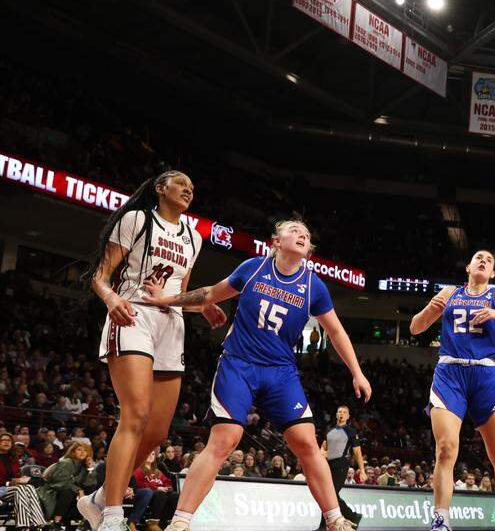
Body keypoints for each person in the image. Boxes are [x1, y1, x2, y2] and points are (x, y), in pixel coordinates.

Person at [141, 219, 372, 531]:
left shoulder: (313, 286)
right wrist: (164, 300)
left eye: (306, 233)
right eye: (294, 231)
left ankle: (335, 519)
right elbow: (210, 293)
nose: (303, 234)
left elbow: (335, 331)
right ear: (276, 241)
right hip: (239, 364)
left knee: (306, 440)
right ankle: (181, 521)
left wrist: (357, 372)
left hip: (281, 372)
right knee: (225, 439)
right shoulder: (252, 268)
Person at [79, 171, 228, 531]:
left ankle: (98, 499)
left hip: (170, 325)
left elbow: (178, 291)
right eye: (181, 183)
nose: (189, 189)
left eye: (193, 186)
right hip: (133, 315)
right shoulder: (137, 220)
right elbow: (98, 274)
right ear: (161, 188)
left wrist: (200, 306)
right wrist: (112, 297)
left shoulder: (194, 237)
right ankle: (113, 514)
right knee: (136, 413)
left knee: (157, 432)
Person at [411, 250, 495, 531]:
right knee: (445, 450)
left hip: (485, 374)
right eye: (478, 258)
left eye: (489, 261)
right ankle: (441, 518)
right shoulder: (450, 292)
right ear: (468, 267)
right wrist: (431, 308)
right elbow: (416, 328)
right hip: (450, 373)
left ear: (492, 274)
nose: (483, 261)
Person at [318, 406, 366, 530]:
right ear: (336, 414)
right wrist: (322, 452)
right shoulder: (329, 429)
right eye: (340, 411)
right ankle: (352, 516)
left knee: (331, 495)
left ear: (348, 416)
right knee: (327, 495)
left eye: (345, 412)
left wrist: (362, 470)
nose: (342, 414)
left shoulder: (351, 431)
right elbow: (324, 447)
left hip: (341, 465)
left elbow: (357, 453)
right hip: (328, 465)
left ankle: (325, 526)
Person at [40, 442, 98, 528]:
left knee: (91, 490)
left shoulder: (83, 465)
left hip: (72, 492)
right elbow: (61, 482)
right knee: (67, 492)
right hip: (53, 491)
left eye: (85, 450)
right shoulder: (66, 463)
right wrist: (79, 490)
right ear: (73, 452)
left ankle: (86, 520)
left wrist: (90, 469)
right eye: (79, 450)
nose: (82, 452)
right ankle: (57, 522)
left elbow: (89, 484)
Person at [0, 432, 48, 529]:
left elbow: (14, 477)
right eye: (3, 440)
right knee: (19, 489)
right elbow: (8, 481)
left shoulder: (13, 458)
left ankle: (32, 523)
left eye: (9, 440)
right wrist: (10, 482)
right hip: (1, 489)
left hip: (10, 489)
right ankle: (29, 524)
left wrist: (21, 479)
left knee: (28, 487)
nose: (6, 442)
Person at [132, 449, 175, 529]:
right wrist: (157, 488)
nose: (150, 456)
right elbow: (139, 484)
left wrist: (168, 488)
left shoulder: (157, 471)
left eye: (153, 454)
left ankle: (172, 522)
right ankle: (152, 522)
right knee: (160, 494)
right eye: (148, 454)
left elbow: (167, 481)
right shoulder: (138, 470)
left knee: (174, 495)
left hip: (161, 493)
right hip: (149, 494)